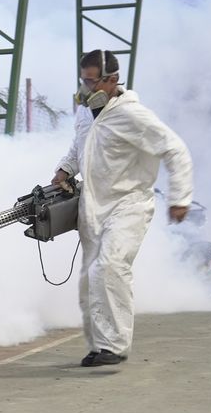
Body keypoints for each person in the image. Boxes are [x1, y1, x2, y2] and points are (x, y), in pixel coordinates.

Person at [52, 49, 193, 367]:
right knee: (90, 279)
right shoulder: (85, 113)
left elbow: (175, 149)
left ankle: (115, 345)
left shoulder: (133, 115)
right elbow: (78, 147)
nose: (87, 88)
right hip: (93, 206)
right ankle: (100, 345)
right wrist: (64, 169)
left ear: (112, 80)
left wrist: (180, 198)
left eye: (92, 82)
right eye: (84, 81)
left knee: (110, 267)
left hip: (129, 203)